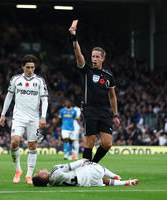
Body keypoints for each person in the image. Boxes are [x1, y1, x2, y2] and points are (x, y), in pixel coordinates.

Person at [69, 22, 120, 163]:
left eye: (98, 57)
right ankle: (85, 172)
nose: (95, 59)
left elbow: (112, 96)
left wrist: (115, 114)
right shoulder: (86, 71)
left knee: (107, 143)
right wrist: (74, 38)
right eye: (93, 56)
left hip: (105, 111)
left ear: (103, 58)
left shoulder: (109, 76)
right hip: (90, 109)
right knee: (89, 142)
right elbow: (78, 54)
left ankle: (93, 164)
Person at [0, 55, 49, 184]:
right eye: (28, 67)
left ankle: (28, 175)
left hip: (33, 118)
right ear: (22, 67)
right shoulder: (16, 79)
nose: (30, 70)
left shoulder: (39, 81)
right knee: (15, 142)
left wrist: (43, 116)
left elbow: (45, 99)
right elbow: (9, 96)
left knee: (32, 145)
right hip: (18, 117)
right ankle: (18, 170)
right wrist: (3, 114)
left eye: (32, 67)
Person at [32, 159, 139, 187]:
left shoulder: (52, 184)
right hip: (88, 172)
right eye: (38, 173)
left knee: (104, 181)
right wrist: (82, 161)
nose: (38, 170)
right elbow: (69, 166)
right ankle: (114, 175)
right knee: (97, 166)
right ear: (44, 176)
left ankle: (127, 182)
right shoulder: (55, 170)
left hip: (86, 183)